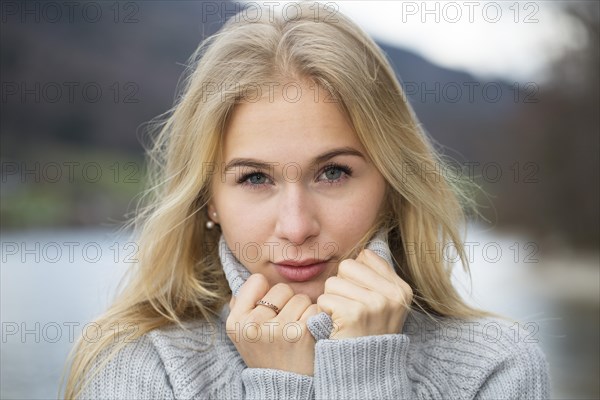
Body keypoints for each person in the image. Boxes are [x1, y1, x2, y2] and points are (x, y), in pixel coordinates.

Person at [63, 2, 550, 398]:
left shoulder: (494, 365)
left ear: (392, 182)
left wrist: (364, 377)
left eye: (333, 172)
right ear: (208, 199)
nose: (296, 227)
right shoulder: (141, 366)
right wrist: (282, 388)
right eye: (255, 179)